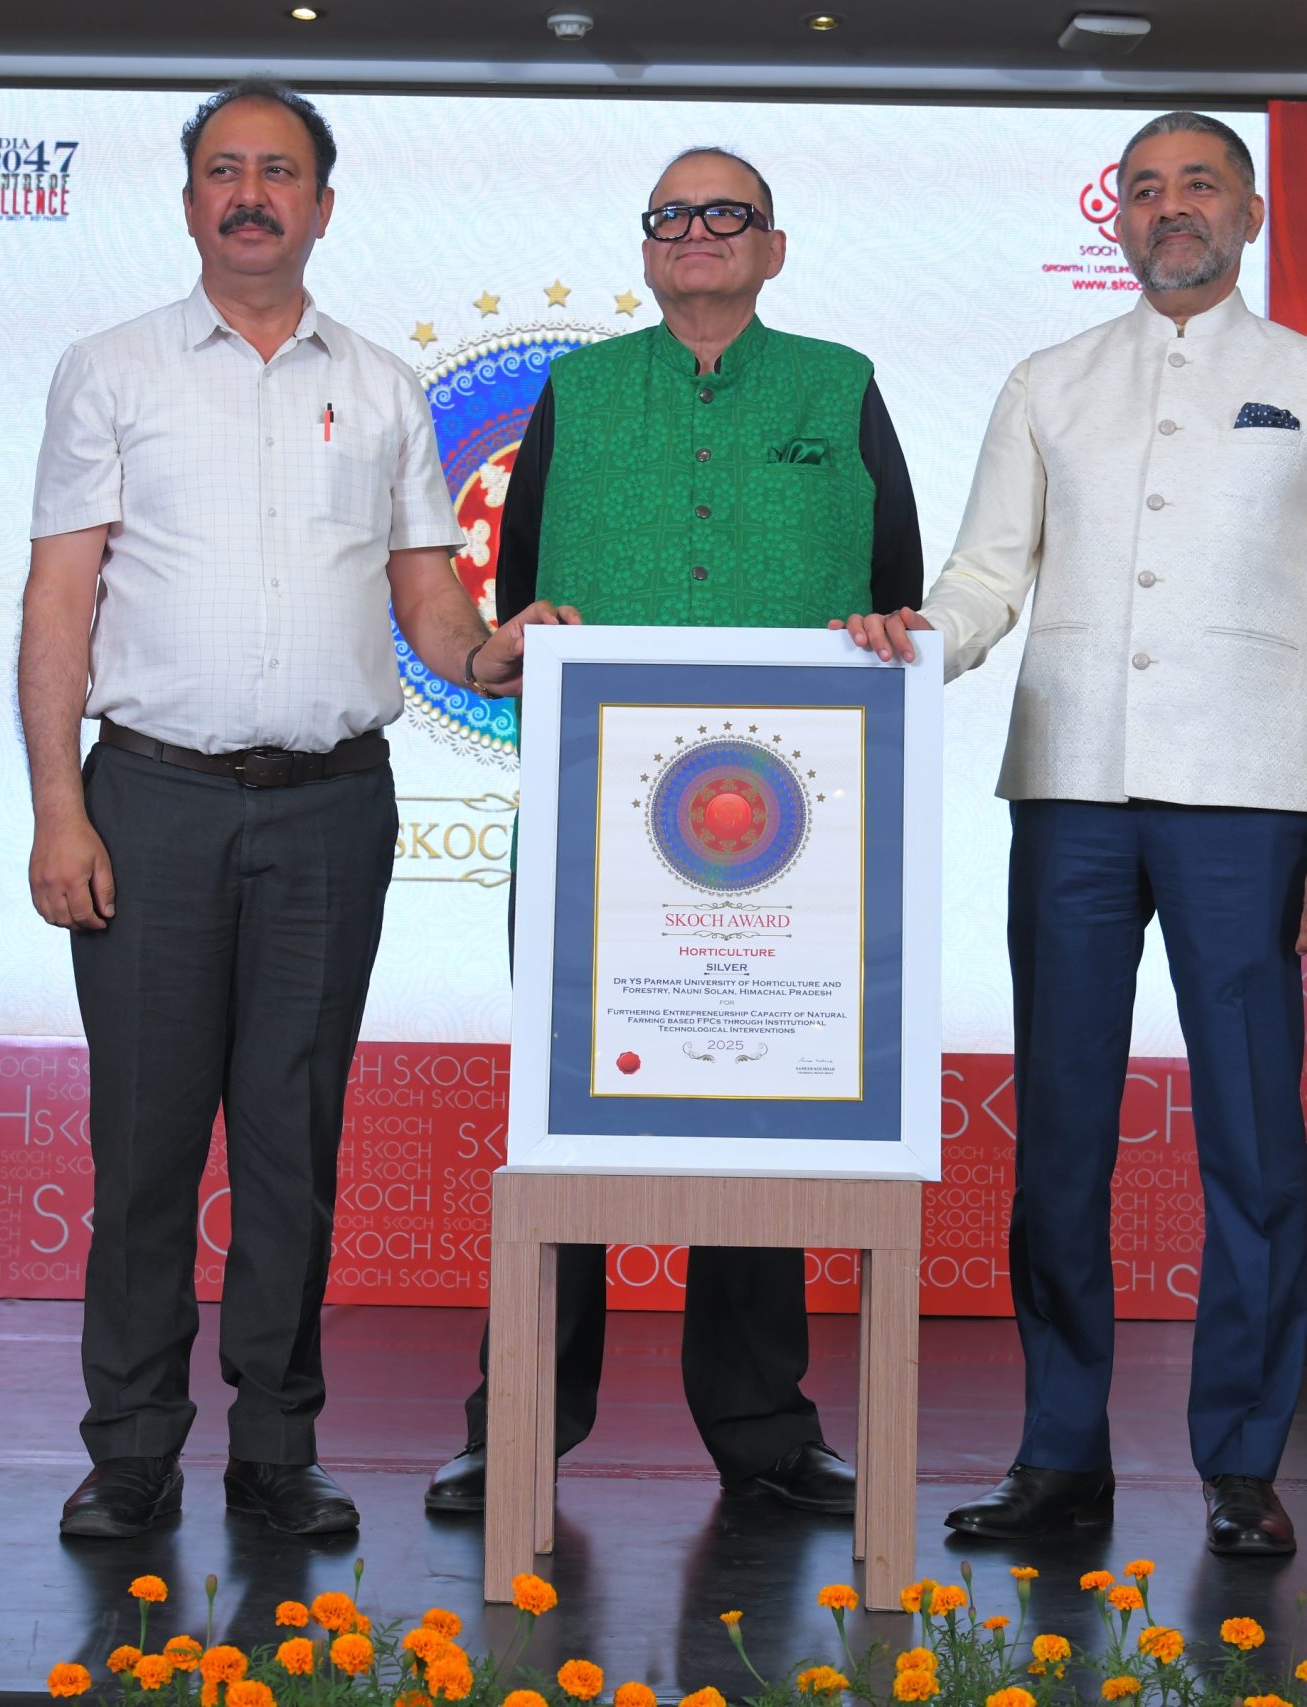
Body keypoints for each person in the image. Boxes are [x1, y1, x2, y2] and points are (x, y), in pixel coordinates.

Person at [837, 111, 1307, 1555]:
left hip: (1249, 806)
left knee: (1254, 1143)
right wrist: (911, 646)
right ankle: (1059, 1455)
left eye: (1200, 184)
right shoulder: (1050, 381)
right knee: (1060, 1140)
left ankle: (1241, 1461)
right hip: (1071, 796)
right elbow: (987, 575)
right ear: (1117, 220)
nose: (1172, 209)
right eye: (1146, 190)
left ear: (1251, 211)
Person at [22, 77, 573, 1541]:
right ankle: (130, 1451)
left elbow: (425, 600)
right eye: (225, 170)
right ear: (189, 200)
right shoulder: (109, 370)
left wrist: (490, 654)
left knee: (292, 1139)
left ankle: (276, 1448)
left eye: (278, 172)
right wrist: (58, 808)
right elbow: (60, 599)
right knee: (144, 1146)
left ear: (322, 207)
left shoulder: (383, 386)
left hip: (332, 812)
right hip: (148, 802)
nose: (250, 194)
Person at [422, 145, 927, 1519]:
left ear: (773, 247)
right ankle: (518, 1422)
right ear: (646, 250)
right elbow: (519, 596)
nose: (697, 231)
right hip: (596, 831)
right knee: (565, 1120)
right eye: (671, 216)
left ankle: (764, 1428)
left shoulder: (840, 385)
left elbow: (895, 586)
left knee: (767, 1110)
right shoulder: (579, 393)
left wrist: (884, 633)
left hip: (792, 837)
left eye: (727, 214)